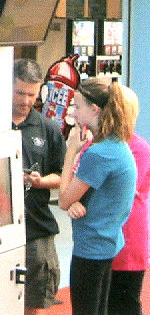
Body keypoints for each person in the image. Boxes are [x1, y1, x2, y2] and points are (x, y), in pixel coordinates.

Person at [59, 77, 138, 315]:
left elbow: (63, 199)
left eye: (77, 106)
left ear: (94, 109)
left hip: (91, 248)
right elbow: (82, 195)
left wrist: (70, 152)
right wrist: (75, 203)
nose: (73, 112)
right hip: (106, 243)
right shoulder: (115, 145)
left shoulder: (100, 153)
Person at [12, 59, 66, 314]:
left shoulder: (48, 129)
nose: (26, 101)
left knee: (34, 301)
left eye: (32, 95)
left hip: (36, 227)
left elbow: (63, 176)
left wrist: (40, 182)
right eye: (20, 93)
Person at [109, 84, 150, 315]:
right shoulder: (96, 146)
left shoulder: (139, 148)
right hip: (101, 238)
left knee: (125, 303)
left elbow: (122, 190)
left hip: (129, 239)